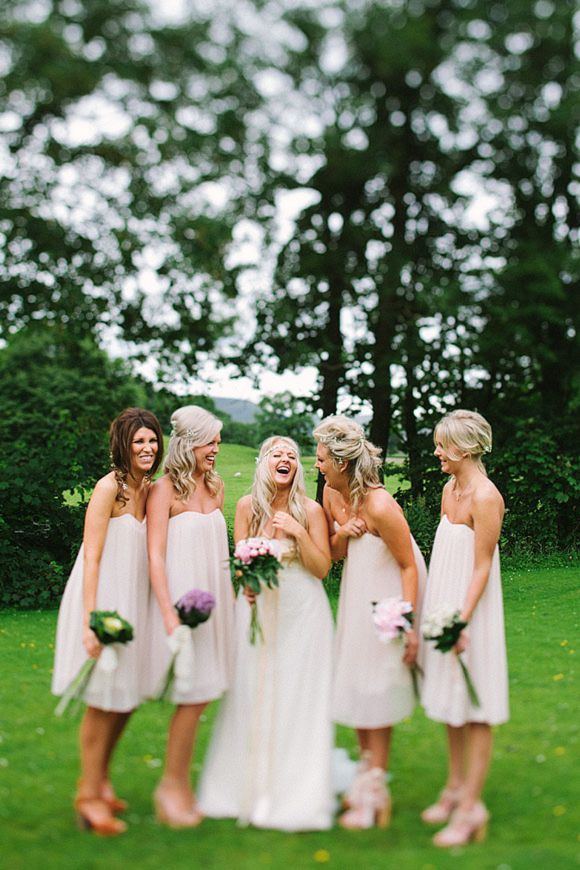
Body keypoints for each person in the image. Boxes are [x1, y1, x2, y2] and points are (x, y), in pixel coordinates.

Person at [198, 436, 335, 831]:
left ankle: (296, 789)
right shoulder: (246, 507)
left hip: (302, 611)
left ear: (299, 468)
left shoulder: (311, 509)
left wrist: (298, 530)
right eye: (278, 454)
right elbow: (241, 560)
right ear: (263, 463)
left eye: (292, 455)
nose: (286, 459)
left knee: (296, 697)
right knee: (251, 693)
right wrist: (248, 582)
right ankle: (244, 786)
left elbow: (321, 568)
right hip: (257, 610)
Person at [52, 407, 164, 835]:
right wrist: (90, 621)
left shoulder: (149, 489)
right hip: (102, 603)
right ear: (123, 445)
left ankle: (99, 782)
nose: (147, 448)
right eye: (138, 441)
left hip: (134, 603)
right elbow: (92, 557)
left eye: (152, 439)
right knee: (102, 700)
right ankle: (88, 798)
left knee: (126, 699)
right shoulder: (107, 488)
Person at [313, 415, 427, 830]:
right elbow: (336, 553)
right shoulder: (330, 493)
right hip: (357, 593)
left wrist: (406, 622)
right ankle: (366, 778)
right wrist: (343, 531)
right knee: (359, 684)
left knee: (378, 687)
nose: (317, 465)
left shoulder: (380, 504)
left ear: (342, 463)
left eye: (322, 458)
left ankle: (374, 791)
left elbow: (409, 566)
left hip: (389, 596)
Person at [419, 409, 508, 847]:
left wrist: (462, 620)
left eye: (442, 445)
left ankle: (472, 807)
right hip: (444, 603)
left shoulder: (485, 497)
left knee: (476, 706)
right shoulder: (448, 489)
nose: (436, 452)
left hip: (472, 610)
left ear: (465, 448)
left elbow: (482, 566)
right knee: (451, 702)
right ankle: (454, 789)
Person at [145, 405, 234, 828]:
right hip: (181, 604)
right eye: (211, 441)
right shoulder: (164, 490)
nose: (216, 448)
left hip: (216, 603)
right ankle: (171, 786)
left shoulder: (215, 488)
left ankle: (184, 784)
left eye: (218, 441)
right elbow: (155, 557)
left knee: (205, 693)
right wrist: (168, 612)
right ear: (188, 442)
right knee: (191, 695)